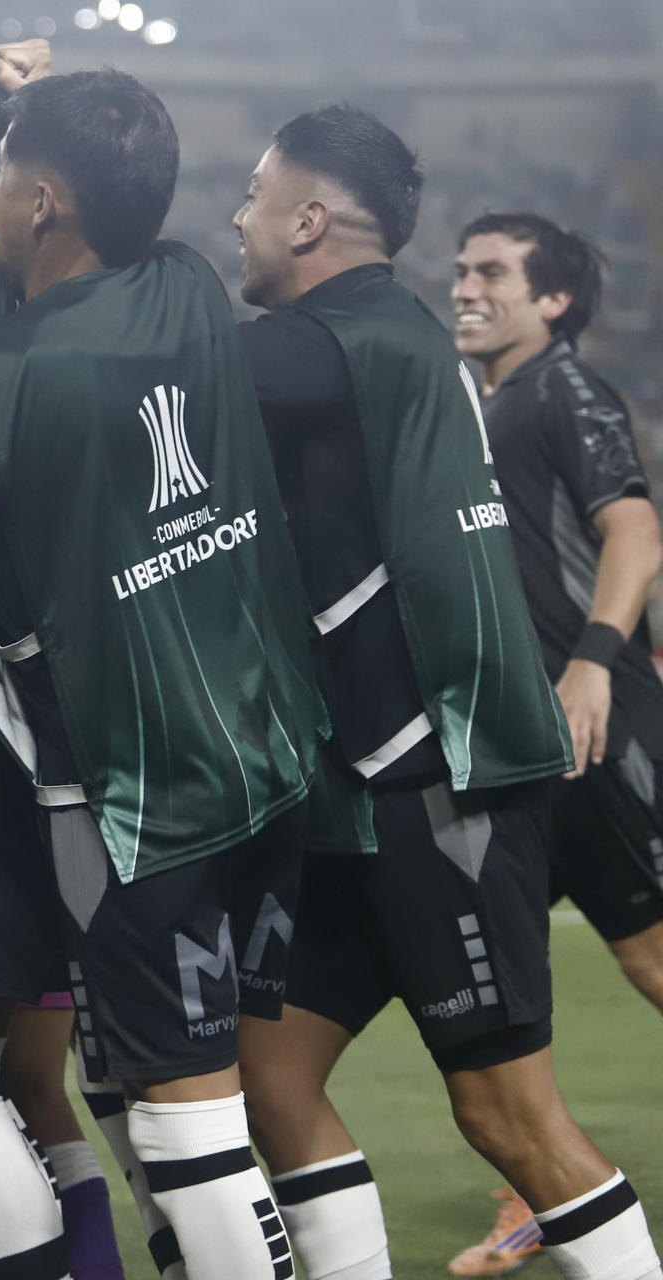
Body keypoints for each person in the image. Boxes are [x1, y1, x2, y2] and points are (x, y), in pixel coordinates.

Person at [0, 69, 326, 1280]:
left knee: (182, 1112)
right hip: (265, 745)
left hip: (136, 784)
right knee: (148, 1080)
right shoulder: (188, 284)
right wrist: (8, 184)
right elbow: (66, 280)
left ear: (43, 200)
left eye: (2, 179)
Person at [230, 106, 663, 1280]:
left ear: (310, 216)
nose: (237, 214)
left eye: (256, 193)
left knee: (511, 1113)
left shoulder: (363, 340)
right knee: (267, 1075)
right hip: (367, 788)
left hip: (454, 775)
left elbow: (634, 524)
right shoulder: (410, 353)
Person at [442, 213, 663, 1273]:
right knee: (516, 997)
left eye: (493, 272)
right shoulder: (493, 404)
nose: (466, 285)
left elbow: (634, 526)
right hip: (528, 749)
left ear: (554, 301)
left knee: (652, 957)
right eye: (462, 268)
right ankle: (535, 1196)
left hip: (603, 728)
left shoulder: (564, 389)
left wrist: (591, 659)